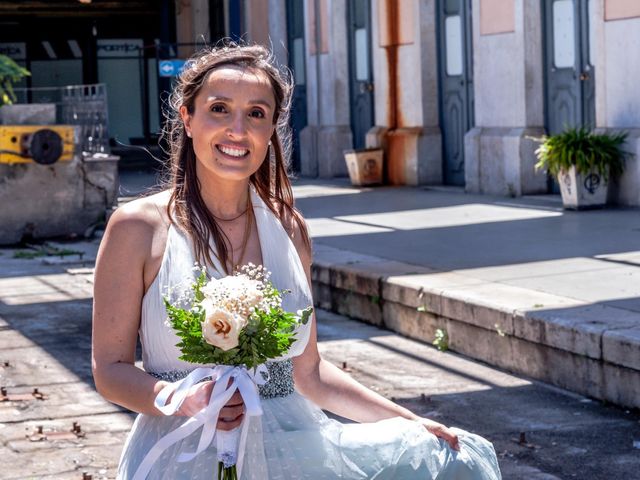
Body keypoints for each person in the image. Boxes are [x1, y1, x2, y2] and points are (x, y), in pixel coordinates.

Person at [92, 43, 502, 479]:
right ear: (188, 119)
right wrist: (181, 399)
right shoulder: (137, 228)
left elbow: (310, 374)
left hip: (293, 453)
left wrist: (409, 421)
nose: (237, 129)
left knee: (449, 460)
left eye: (256, 114)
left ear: (270, 130)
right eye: (219, 108)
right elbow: (110, 370)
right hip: (180, 458)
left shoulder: (289, 230)